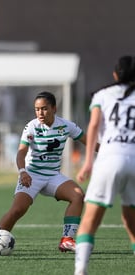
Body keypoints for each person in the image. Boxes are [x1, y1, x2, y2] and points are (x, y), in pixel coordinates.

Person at [0, 91, 90, 255]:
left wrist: (109, 150)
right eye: (37, 109)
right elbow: (20, 153)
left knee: (77, 195)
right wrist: (22, 171)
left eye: (44, 109)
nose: (40, 113)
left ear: (54, 108)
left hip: (54, 176)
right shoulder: (31, 126)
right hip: (31, 175)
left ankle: (67, 240)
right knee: (18, 210)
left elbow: (89, 142)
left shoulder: (66, 126)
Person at [74, 56, 135, 275]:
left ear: (115, 74)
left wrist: (88, 161)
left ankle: (80, 269)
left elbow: (93, 126)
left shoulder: (103, 95)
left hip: (109, 159)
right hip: (134, 161)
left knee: (90, 219)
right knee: (131, 222)